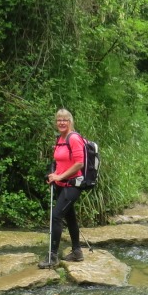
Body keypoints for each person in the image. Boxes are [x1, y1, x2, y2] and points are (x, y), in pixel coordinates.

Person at [39, 108, 85, 268]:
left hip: (72, 185)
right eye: (59, 119)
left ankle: (52, 257)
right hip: (61, 185)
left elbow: (80, 163)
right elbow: (58, 162)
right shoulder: (60, 139)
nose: (61, 122)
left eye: (65, 119)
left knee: (56, 216)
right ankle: (77, 252)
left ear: (70, 122)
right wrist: (52, 174)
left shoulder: (74, 138)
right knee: (70, 216)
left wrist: (60, 176)